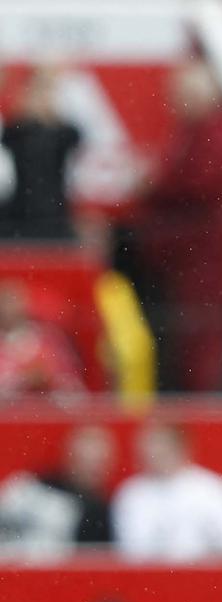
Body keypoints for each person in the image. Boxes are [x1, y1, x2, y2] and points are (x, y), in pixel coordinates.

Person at [130, 60, 222, 392]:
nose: (174, 102)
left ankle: (204, 389)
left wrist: (153, 185)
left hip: (210, 246)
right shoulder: (193, 131)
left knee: (204, 324)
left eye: (181, 94)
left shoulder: (218, 132)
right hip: (193, 246)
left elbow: (201, 182)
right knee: (191, 324)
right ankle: (194, 384)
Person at [112, 422, 222, 560]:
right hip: (149, 583)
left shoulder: (212, 490)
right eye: (151, 446)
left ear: (180, 447)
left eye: (162, 446)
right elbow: (129, 551)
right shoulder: (131, 494)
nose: (155, 453)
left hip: (206, 580)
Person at [0, 67, 81, 240]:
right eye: (35, 95)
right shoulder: (16, 132)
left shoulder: (63, 133)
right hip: (18, 219)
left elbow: (74, 135)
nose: (40, 100)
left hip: (56, 218)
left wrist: (49, 82)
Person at [0, 280, 83, 398]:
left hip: (49, 412)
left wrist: (49, 379)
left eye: (14, 302)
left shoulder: (50, 339)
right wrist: (23, 380)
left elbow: (73, 387)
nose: (9, 310)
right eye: (5, 303)